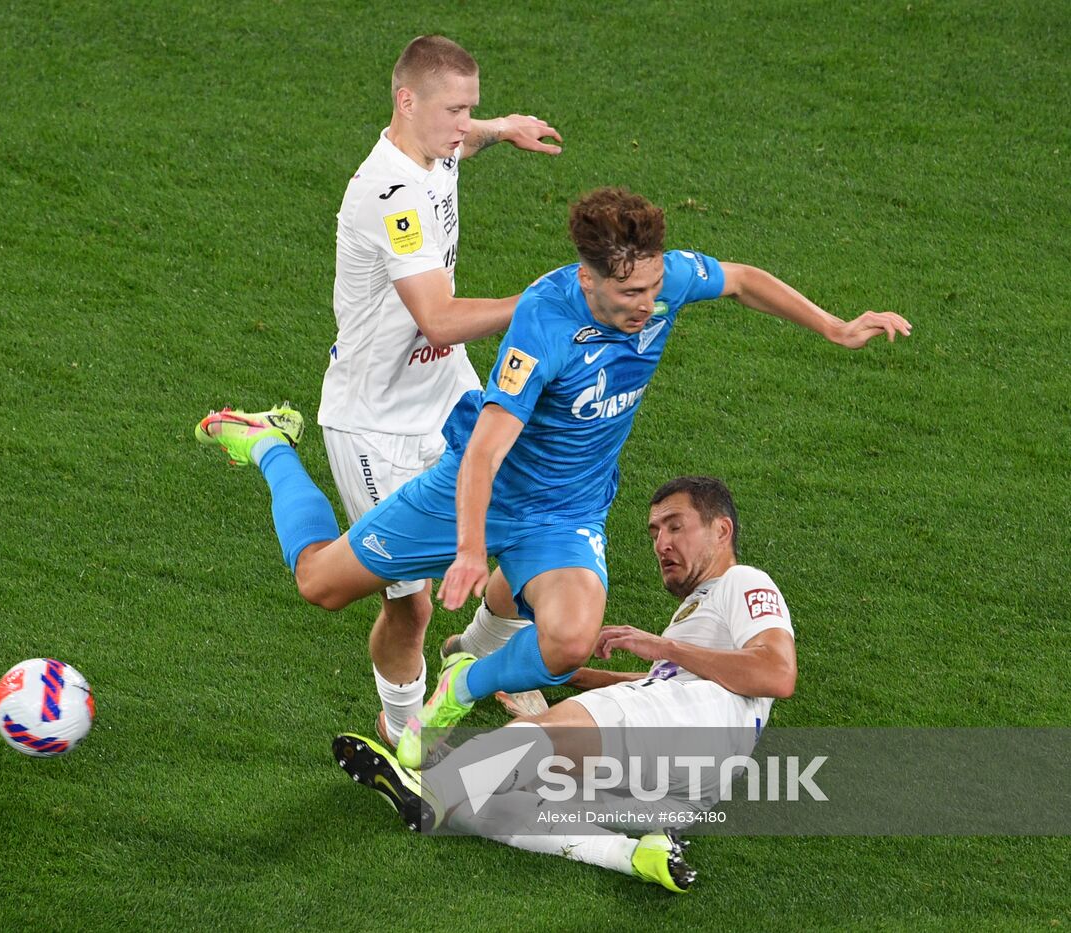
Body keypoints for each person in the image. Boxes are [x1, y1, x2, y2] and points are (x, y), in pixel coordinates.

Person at [195, 186, 908, 769]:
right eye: (629, 292)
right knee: (320, 584)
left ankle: (464, 680)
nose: (647, 305)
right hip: (477, 491)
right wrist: (469, 548)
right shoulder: (544, 320)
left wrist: (836, 327)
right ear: (588, 279)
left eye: (655, 287)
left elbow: (744, 281)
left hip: (565, 510)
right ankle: (268, 444)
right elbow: (484, 453)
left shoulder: (665, 283)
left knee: (570, 638)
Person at [332, 476, 796, 893]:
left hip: (687, 732)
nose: (661, 543)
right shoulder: (697, 615)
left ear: (722, 530)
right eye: (655, 532)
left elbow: (776, 672)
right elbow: (673, 683)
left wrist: (663, 647)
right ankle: (635, 856)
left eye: (675, 526)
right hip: (689, 791)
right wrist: (565, 671)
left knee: (548, 734)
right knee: (492, 804)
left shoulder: (741, 580)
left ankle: (435, 784)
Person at [319, 35, 562, 748]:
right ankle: (402, 730)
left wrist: (501, 129)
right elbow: (439, 317)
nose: (464, 125)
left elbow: (463, 146)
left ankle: (488, 652)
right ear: (407, 101)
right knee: (412, 606)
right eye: (456, 110)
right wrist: (540, 304)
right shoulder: (389, 195)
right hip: (375, 423)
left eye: (470, 109)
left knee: (522, 525)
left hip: (445, 386)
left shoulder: (436, 145)